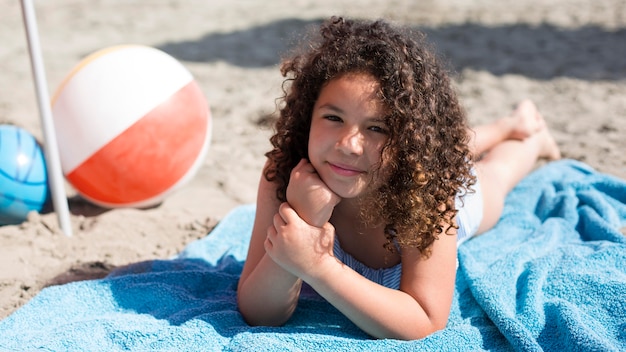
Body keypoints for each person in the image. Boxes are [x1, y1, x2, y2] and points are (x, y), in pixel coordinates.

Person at [236, 16, 561, 340]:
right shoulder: (284, 174)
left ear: (407, 141)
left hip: (426, 183)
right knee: (442, 145)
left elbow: (426, 320)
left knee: (493, 175)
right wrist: (304, 220)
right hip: (403, 159)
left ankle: (530, 136)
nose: (348, 144)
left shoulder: (429, 193)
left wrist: (317, 265)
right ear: (309, 116)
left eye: (377, 128)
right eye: (333, 117)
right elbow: (259, 311)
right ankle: (507, 124)